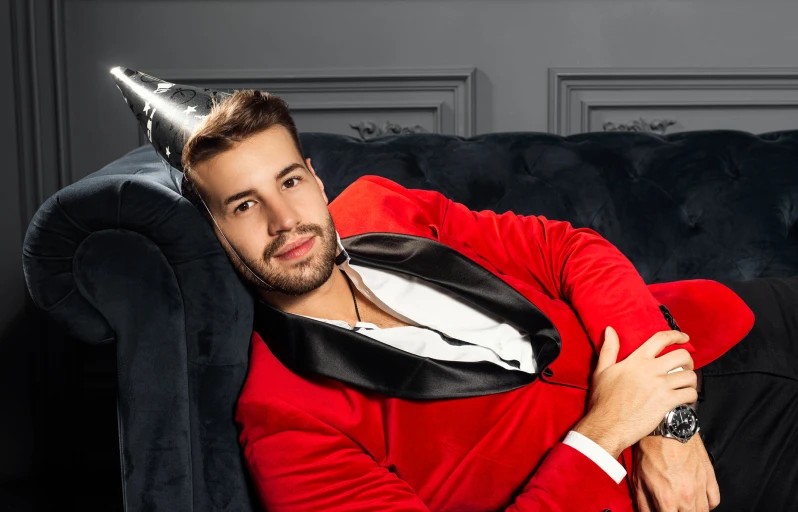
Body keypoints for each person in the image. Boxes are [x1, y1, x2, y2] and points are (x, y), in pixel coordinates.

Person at [111, 70, 798, 512]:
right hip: (708, 479)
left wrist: (665, 425)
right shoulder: (286, 428)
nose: (285, 220)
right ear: (213, 231)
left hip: (730, 323)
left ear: (315, 180)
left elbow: (571, 249)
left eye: (289, 182)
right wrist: (609, 431)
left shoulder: (382, 205)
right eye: (243, 205)